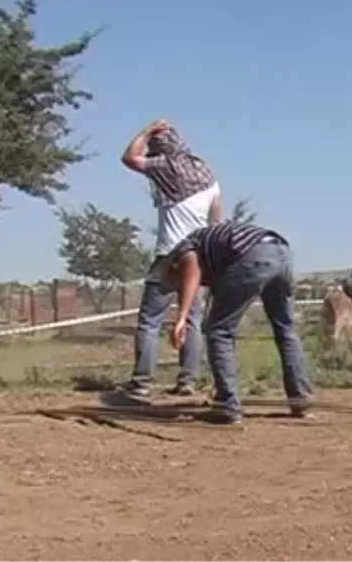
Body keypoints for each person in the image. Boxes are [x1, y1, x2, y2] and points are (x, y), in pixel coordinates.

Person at [161, 220, 315, 424]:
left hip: (253, 255)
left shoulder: (185, 250)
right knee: (285, 329)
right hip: (282, 254)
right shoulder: (213, 254)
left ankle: (228, 406)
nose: (178, 287)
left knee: (218, 331)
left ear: (173, 267)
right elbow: (216, 293)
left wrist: (181, 318)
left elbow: (191, 275)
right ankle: (300, 400)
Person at [120, 119, 222, 398]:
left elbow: (129, 158)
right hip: (199, 259)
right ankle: (187, 380)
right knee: (191, 319)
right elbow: (216, 220)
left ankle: (141, 382)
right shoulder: (206, 172)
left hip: (169, 255)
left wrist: (145, 130)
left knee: (150, 321)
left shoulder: (164, 167)